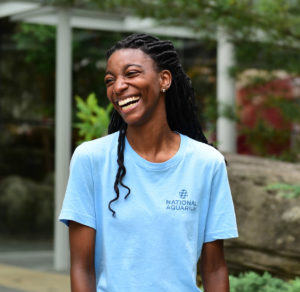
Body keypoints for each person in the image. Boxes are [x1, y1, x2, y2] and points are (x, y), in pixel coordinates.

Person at [59, 33, 238, 292]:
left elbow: (215, 270)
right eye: (110, 80)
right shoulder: (91, 159)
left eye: (131, 73)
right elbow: (81, 268)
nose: (118, 86)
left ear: (164, 79)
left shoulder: (207, 163)